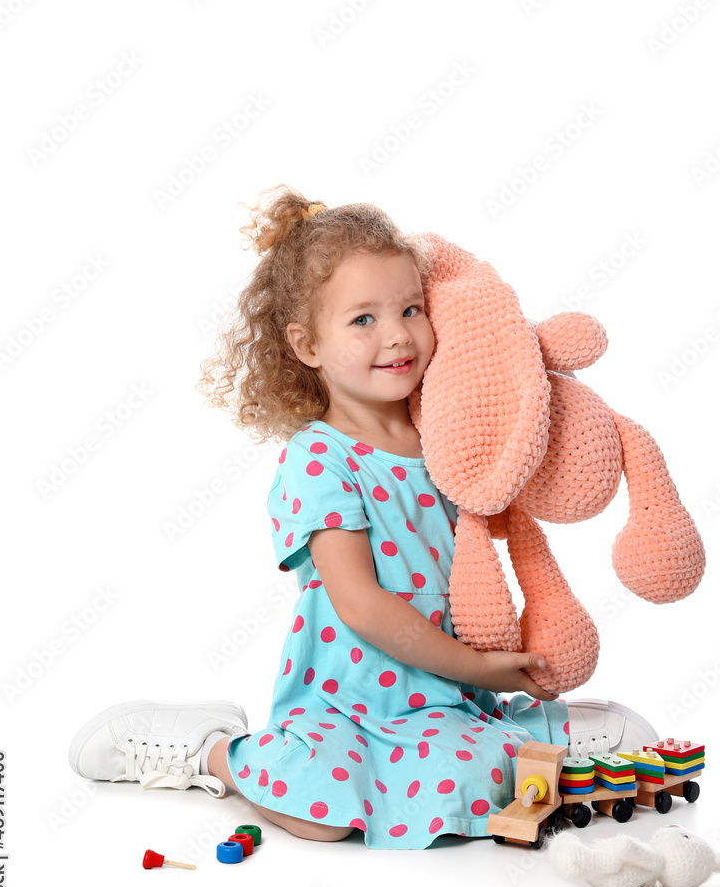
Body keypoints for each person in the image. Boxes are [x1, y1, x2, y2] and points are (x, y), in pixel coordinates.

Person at [68, 184, 659, 849]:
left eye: (411, 308)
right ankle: (211, 751)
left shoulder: (444, 433)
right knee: (317, 817)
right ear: (306, 344)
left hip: (450, 696)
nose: (399, 334)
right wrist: (479, 667)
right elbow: (360, 604)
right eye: (363, 320)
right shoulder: (319, 456)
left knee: (514, 764)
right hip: (351, 698)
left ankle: (538, 735)